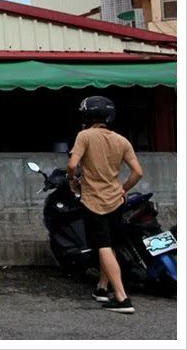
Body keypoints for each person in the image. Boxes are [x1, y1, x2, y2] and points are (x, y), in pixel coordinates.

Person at [67, 95, 143, 314]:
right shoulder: (122, 141)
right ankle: (102, 288)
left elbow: (72, 164)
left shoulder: (85, 136)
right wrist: (123, 188)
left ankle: (121, 298)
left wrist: (73, 180)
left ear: (87, 115)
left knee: (103, 246)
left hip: (94, 201)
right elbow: (138, 172)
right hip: (116, 201)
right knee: (110, 245)